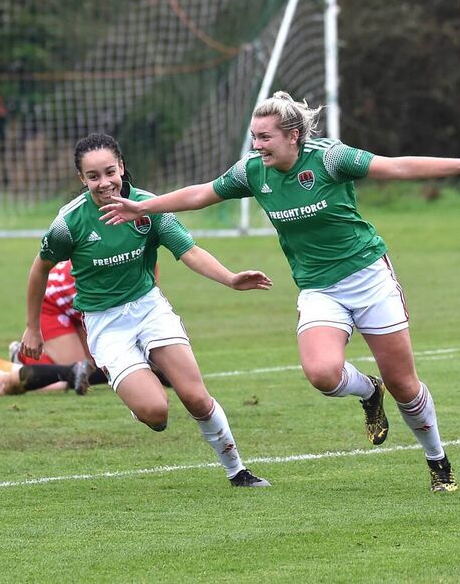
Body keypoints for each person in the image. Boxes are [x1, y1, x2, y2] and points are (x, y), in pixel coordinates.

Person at [98, 91, 460, 493]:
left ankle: (438, 462)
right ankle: (368, 391)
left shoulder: (331, 158)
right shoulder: (252, 171)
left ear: (293, 135)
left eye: (265, 137)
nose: (256, 146)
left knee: (404, 384)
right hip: (318, 289)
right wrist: (143, 207)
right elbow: (203, 192)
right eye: (254, 137)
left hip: (368, 279)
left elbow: (396, 167)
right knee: (322, 375)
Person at [20, 132, 273, 488]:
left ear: (121, 167)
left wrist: (231, 279)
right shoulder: (69, 223)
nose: (105, 183)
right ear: (82, 179)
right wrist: (32, 328)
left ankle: (238, 471)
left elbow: (190, 252)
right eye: (94, 177)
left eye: (110, 172)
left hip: (149, 309)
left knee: (196, 398)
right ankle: (137, 374)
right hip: (105, 323)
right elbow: (39, 269)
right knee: (156, 414)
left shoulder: (149, 208)